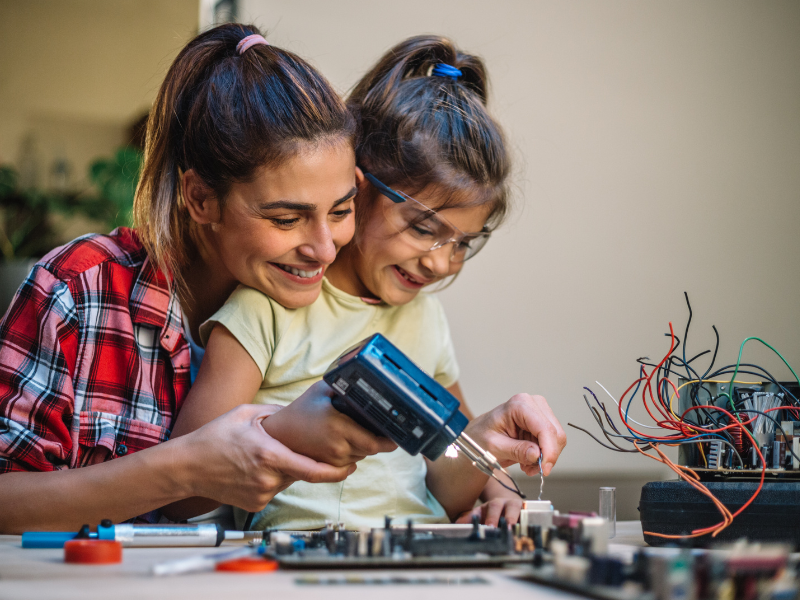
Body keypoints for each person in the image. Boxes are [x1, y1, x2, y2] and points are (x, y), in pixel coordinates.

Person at [0, 24, 394, 534]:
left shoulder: (339, 304)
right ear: (201, 198)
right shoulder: (80, 290)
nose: (323, 248)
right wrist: (185, 467)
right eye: (285, 219)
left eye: (340, 210)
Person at [169, 35, 567, 531]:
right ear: (357, 189)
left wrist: (489, 457)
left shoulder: (425, 319)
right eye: (423, 229)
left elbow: (445, 482)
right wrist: (289, 432)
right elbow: (183, 487)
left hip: (420, 554)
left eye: (462, 243)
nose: (442, 264)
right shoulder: (263, 308)